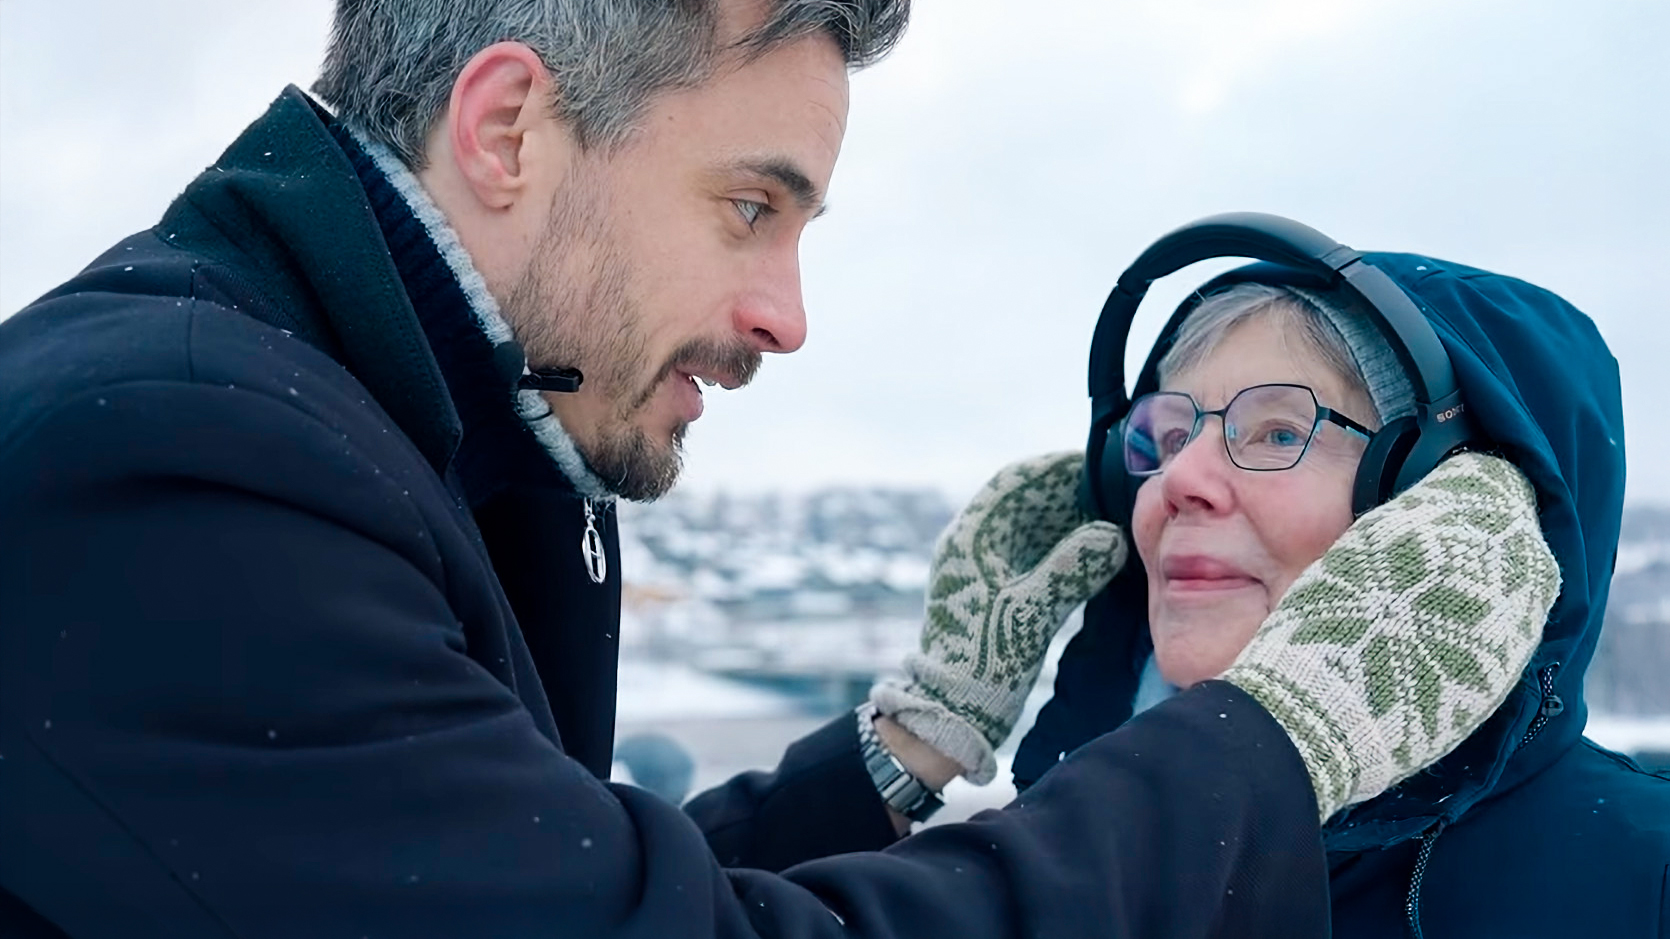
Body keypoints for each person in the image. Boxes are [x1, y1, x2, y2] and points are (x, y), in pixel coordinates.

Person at [0, 1, 1549, 935]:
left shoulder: (365, 420)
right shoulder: (183, 465)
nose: (786, 318)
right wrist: (1269, 746)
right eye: (752, 206)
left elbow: (536, 875)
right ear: (510, 128)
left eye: (1276, 425)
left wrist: (903, 752)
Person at [1011, 263, 1670, 936]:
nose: (1178, 479)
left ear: (1453, 505)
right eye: (1173, 436)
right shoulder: (1064, 853)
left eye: (1279, 432)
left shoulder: (1648, 880)